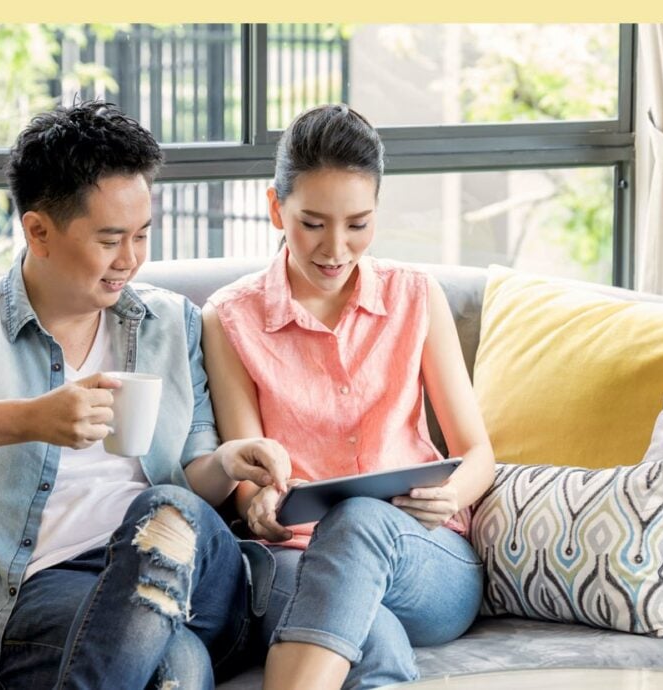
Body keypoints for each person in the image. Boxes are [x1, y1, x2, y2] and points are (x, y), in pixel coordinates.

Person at [0, 101, 288, 690]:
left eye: (142, 235)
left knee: (166, 508)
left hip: (196, 572)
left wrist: (227, 461)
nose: (131, 261)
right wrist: (30, 419)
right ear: (38, 231)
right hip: (52, 585)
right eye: (110, 239)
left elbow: (195, 476)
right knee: (177, 667)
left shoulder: (173, 324)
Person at [201, 104, 496, 690]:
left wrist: (451, 495)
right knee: (374, 641)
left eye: (358, 224)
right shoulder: (229, 319)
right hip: (296, 559)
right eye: (312, 223)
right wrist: (256, 504)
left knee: (361, 518)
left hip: (425, 557)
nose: (335, 248)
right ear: (275, 207)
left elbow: (477, 452)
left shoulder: (417, 297)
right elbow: (246, 475)